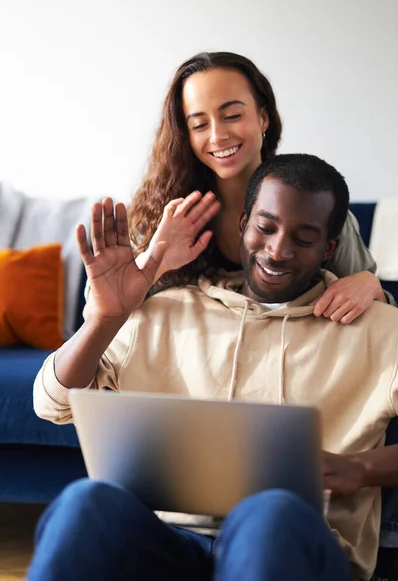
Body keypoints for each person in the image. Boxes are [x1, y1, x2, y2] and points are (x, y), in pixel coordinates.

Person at [30, 154, 398, 581]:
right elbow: (49, 404)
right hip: (171, 541)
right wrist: (103, 319)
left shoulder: (379, 328)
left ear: (329, 248)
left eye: (304, 238)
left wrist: (360, 469)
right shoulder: (166, 311)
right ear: (243, 224)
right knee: (84, 503)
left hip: (295, 543)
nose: (278, 250)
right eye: (265, 227)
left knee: (272, 510)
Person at [127, 51, 395, 320]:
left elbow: (378, 314)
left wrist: (371, 287)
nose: (218, 136)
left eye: (232, 115)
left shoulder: (316, 206)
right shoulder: (164, 214)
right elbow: (101, 309)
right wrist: (155, 262)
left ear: (263, 117)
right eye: (199, 125)